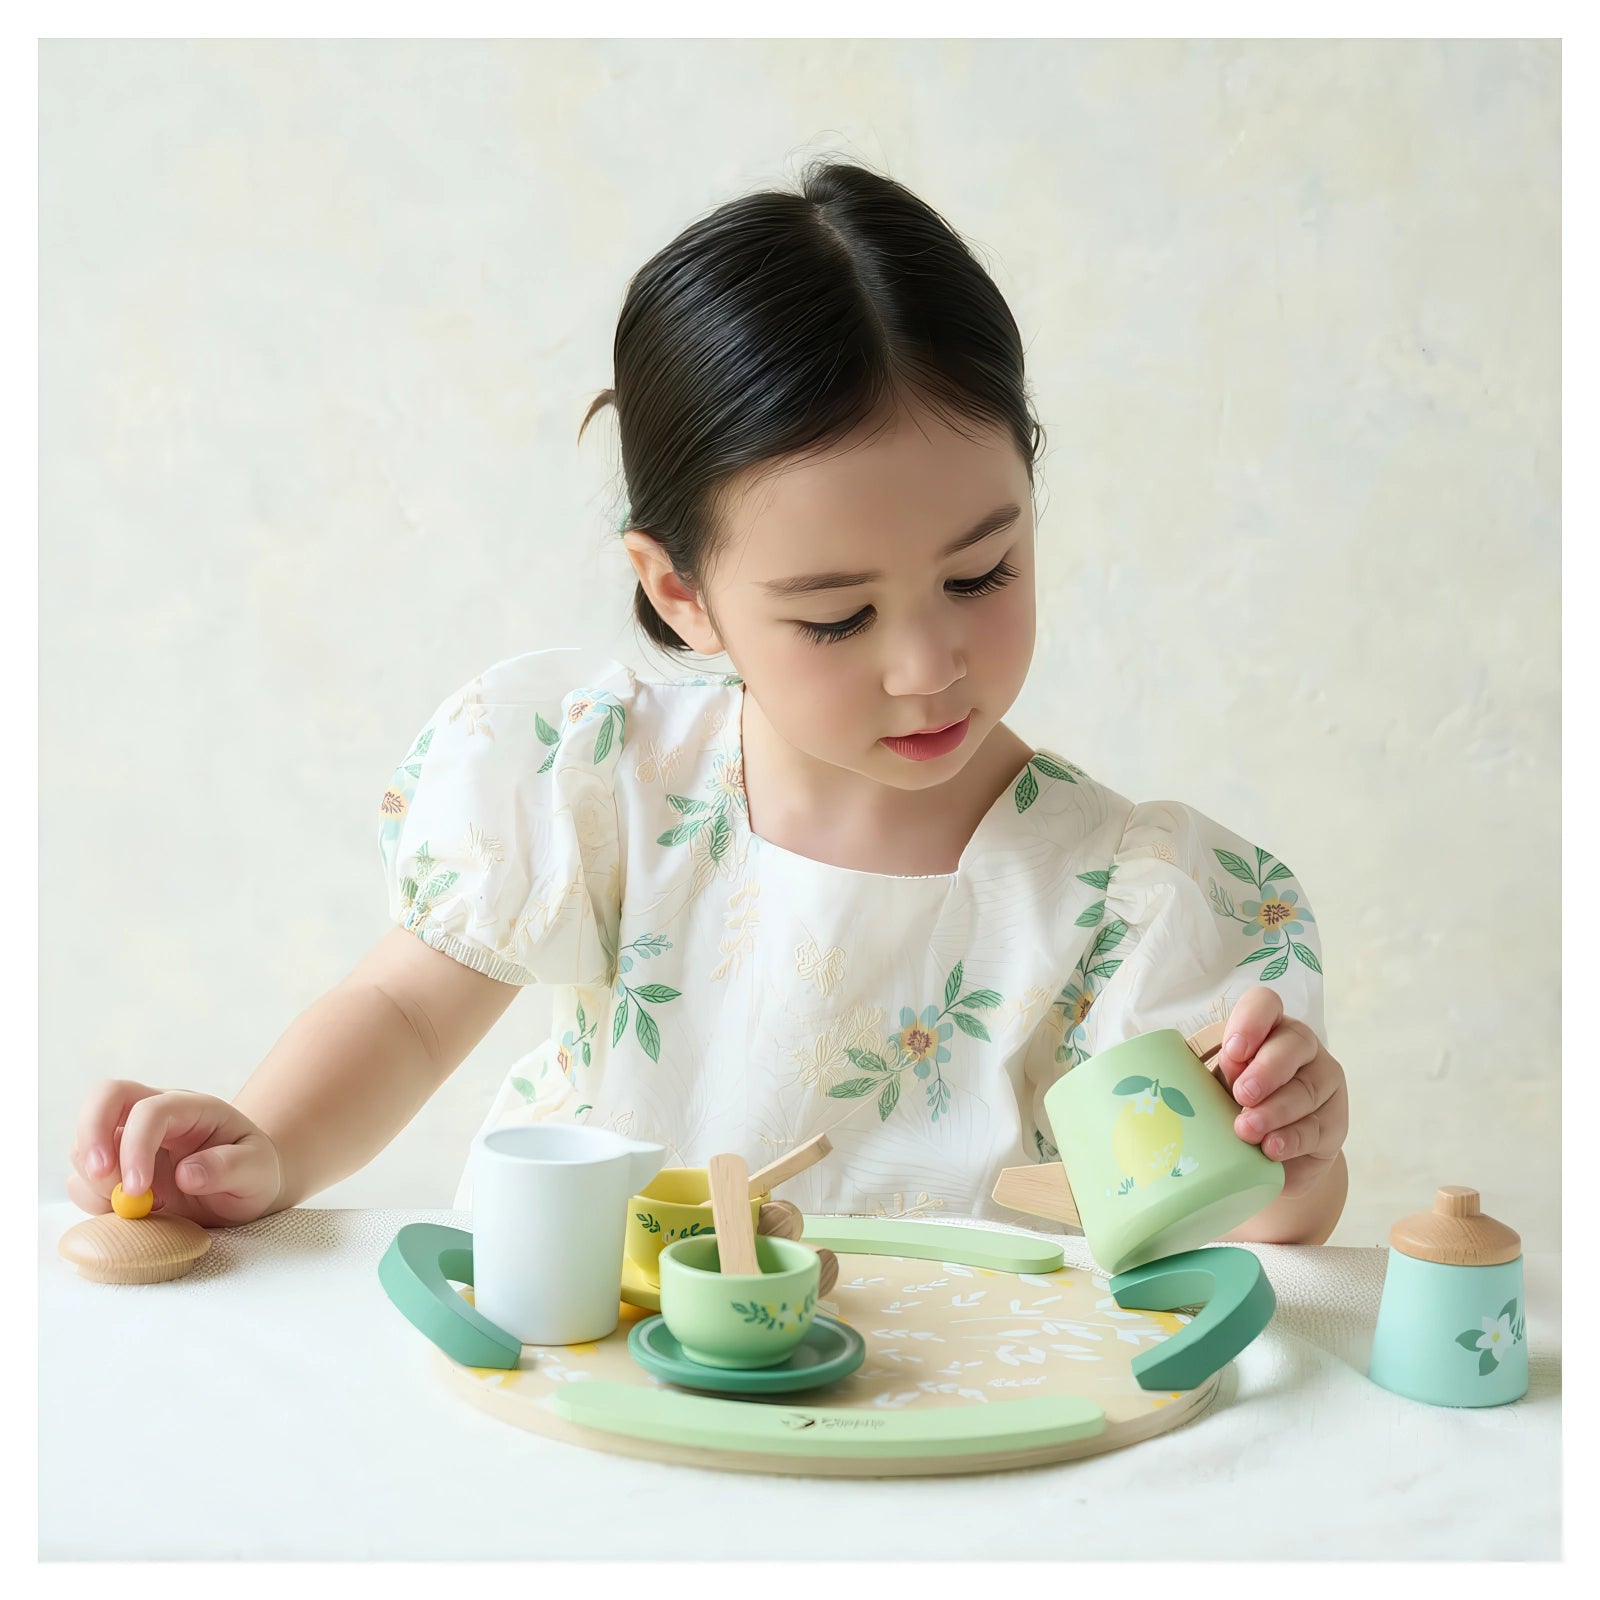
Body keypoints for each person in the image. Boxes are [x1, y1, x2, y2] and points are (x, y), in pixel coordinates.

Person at [65, 158, 1349, 1240]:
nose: (927, 664)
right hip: (588, 1370)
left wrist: (1288, 1160)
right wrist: (268, 1140)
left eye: (980, 573)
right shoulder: (602, 783)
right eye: (836, 616)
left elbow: (1202, 1214)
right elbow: (402, 1012)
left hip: (929, 1420)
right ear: (679, 590)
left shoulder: (1117, 896)